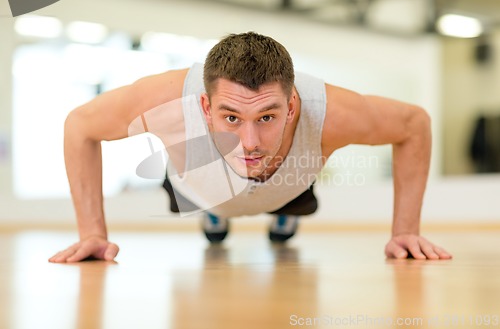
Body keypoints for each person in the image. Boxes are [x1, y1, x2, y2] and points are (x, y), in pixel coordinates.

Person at [49, 32, 452, 263]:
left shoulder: (329, 112)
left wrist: (405, 232)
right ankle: (215, 218)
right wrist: (92, 233)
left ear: (292, 106)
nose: (250, 141)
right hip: (197, 186)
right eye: (231, 118)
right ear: (205, 106)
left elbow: (414, 124)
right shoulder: (166, 100)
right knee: (200, 187)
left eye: (267, 117)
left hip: (288, 185)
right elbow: (79, 126)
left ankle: (282, 212)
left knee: (285, 182)